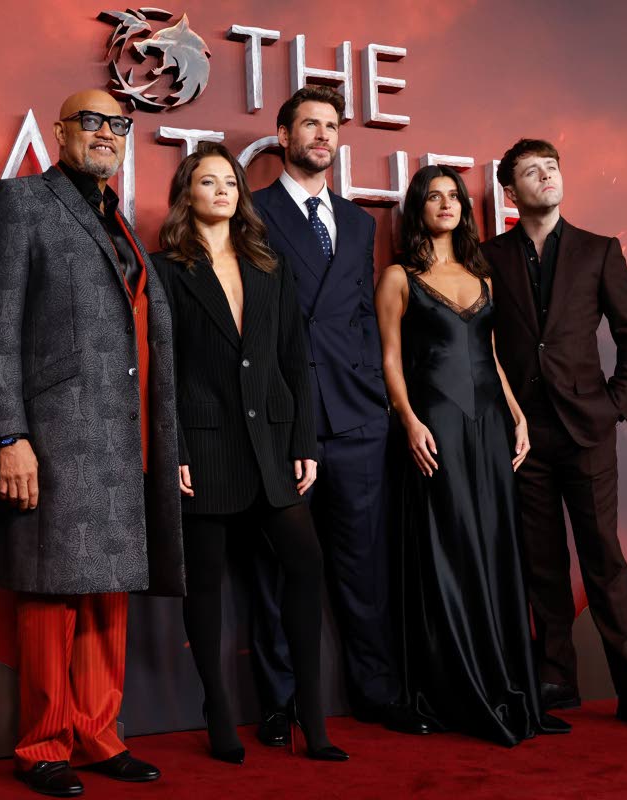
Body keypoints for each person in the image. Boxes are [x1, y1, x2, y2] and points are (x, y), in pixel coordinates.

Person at [0, 88, 186, 797]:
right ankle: (41, 746)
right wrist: (10, 434)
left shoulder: (119, 223)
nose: (107, 134)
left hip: (122, 440)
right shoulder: (18, 202)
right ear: (60, 131)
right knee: (50, 593)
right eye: (91, 121)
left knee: (107, 593)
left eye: (119, 125)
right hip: (55, 436)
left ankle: (99, 735)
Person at [482, 138, 627, 736]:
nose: (545, 177)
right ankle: (555, 681)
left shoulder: (600, 250)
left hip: (587, 430)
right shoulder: (489, 256)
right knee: (541, 565)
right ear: (510, 192)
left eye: (551, 168)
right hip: (522, 434)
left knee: (604, 561)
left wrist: (615, 407)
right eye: (530, 171)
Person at [151, 142, 347, 764]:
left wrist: (303, 440)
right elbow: (163, 367)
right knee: (204, 583)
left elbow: (294, 357)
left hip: (272, 442)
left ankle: (310, 719)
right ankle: (218, 711)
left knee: (306, 565)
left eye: (230, 181)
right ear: (188, 194)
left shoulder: (270, 263)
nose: (223, 190)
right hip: (203, 445)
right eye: (208, 182)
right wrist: (173, 443)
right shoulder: (164, 269)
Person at [248, 86, 432, 740]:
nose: (322, 136)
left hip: (356, 417)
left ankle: (378, 693)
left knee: (363, 566)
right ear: (283, 134)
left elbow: (358, 313)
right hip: (283, 416)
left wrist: (378, 401)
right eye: (310, 125)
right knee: (276, 572)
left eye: (331, 126)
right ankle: (280, 705)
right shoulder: (253, 210)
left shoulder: (357, 223)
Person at [376, 164, 571, 745]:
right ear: (419, 210)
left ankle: (512, 686)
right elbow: (389, 358)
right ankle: (461, 690)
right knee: (451, 546)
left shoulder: (482, 274)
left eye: (453, 196)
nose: (446, 204)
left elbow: (491, 352)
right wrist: (408, 421)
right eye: (433, 197)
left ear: (465, 206)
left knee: (496, 546)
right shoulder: (398, 277)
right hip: (434, 423)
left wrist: (517, 417)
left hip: (490, 424)